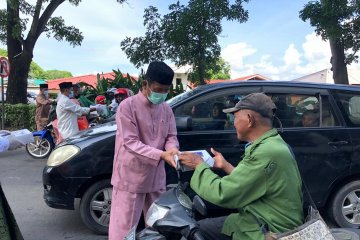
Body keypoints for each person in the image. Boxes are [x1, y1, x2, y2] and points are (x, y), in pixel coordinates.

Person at [179, 93, 304, 240]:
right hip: (260, 218)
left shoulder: (266, 152)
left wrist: (198, 165)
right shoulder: (273, 143)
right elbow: (253, 181)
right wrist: (226, 166)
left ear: (250, 120)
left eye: (236, 117)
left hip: (270, 229)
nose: (233, 122)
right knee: (203, 227)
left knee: (196, 231)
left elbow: (223, 193)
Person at [109, 61, 179, 240]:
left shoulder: (166, 109)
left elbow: (171, 136)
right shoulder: (127, 107)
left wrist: (172, 151)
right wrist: (162, 155)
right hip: (130, 177)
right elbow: (130, 142)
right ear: (145, 84)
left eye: (166, 90)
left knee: (158, 225)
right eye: (158, 89)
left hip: (156, 177)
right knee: (124, 228)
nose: (162, 94)